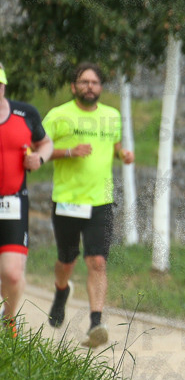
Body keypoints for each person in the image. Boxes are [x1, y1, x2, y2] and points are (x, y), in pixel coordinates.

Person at [44, 62, 134, 348]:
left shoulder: (112, 116)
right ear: (73, 87)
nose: (89, 87)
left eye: (95, 83)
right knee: (66, 261)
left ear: (101, 88)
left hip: (101, 201)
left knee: (97, 261)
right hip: (68, 201)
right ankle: (61, 293)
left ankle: (96, 322)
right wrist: (69, 151)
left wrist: (124, 154)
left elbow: (115, 145)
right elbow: (38, 148)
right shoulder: (58, 116)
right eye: (84, 82)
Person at [0, 62, 54, 338]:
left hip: (12, 203)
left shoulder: (26, 114)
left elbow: (46, 143)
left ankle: (8, 320)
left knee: (11, 273)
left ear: (4, 84)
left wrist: (39, 158)